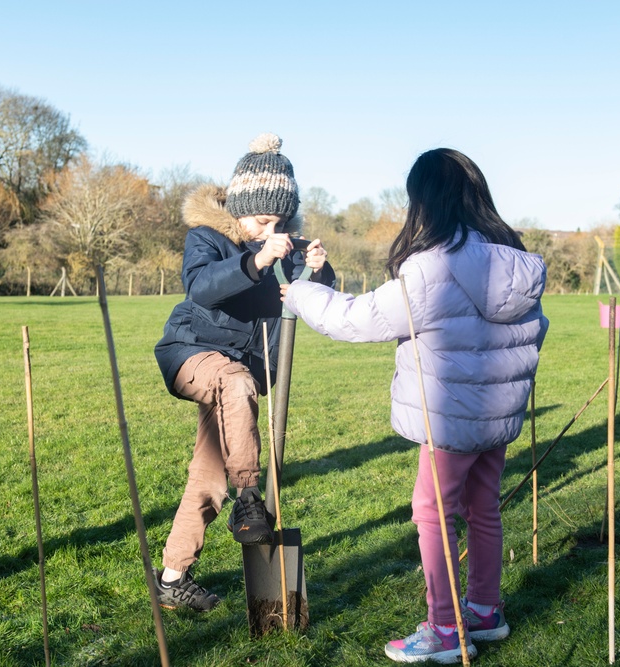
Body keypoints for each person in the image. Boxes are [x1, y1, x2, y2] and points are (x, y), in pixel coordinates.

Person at [284, 148, 548, 663]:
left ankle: (446, 629)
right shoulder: (514, 260)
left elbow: (359, 319)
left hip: (449, 417)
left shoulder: (434, 266)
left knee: (432, 512)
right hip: (497, 416)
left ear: (424, 201)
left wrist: (300, 293)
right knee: (483, 508)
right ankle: (486, 611)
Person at [152, 133, 334, 611]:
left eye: (277, 220)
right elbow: (201, 287)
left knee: (209, 476)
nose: (266, 228)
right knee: (235, 382)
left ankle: (171, 577)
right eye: (258, 219)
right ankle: (250, 496)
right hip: (193, 354)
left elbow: (305, 303)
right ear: (236, 208)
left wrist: (317, 271)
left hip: (244, 379)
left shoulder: (284, 245)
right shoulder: (206, 238)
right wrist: (256, 259)